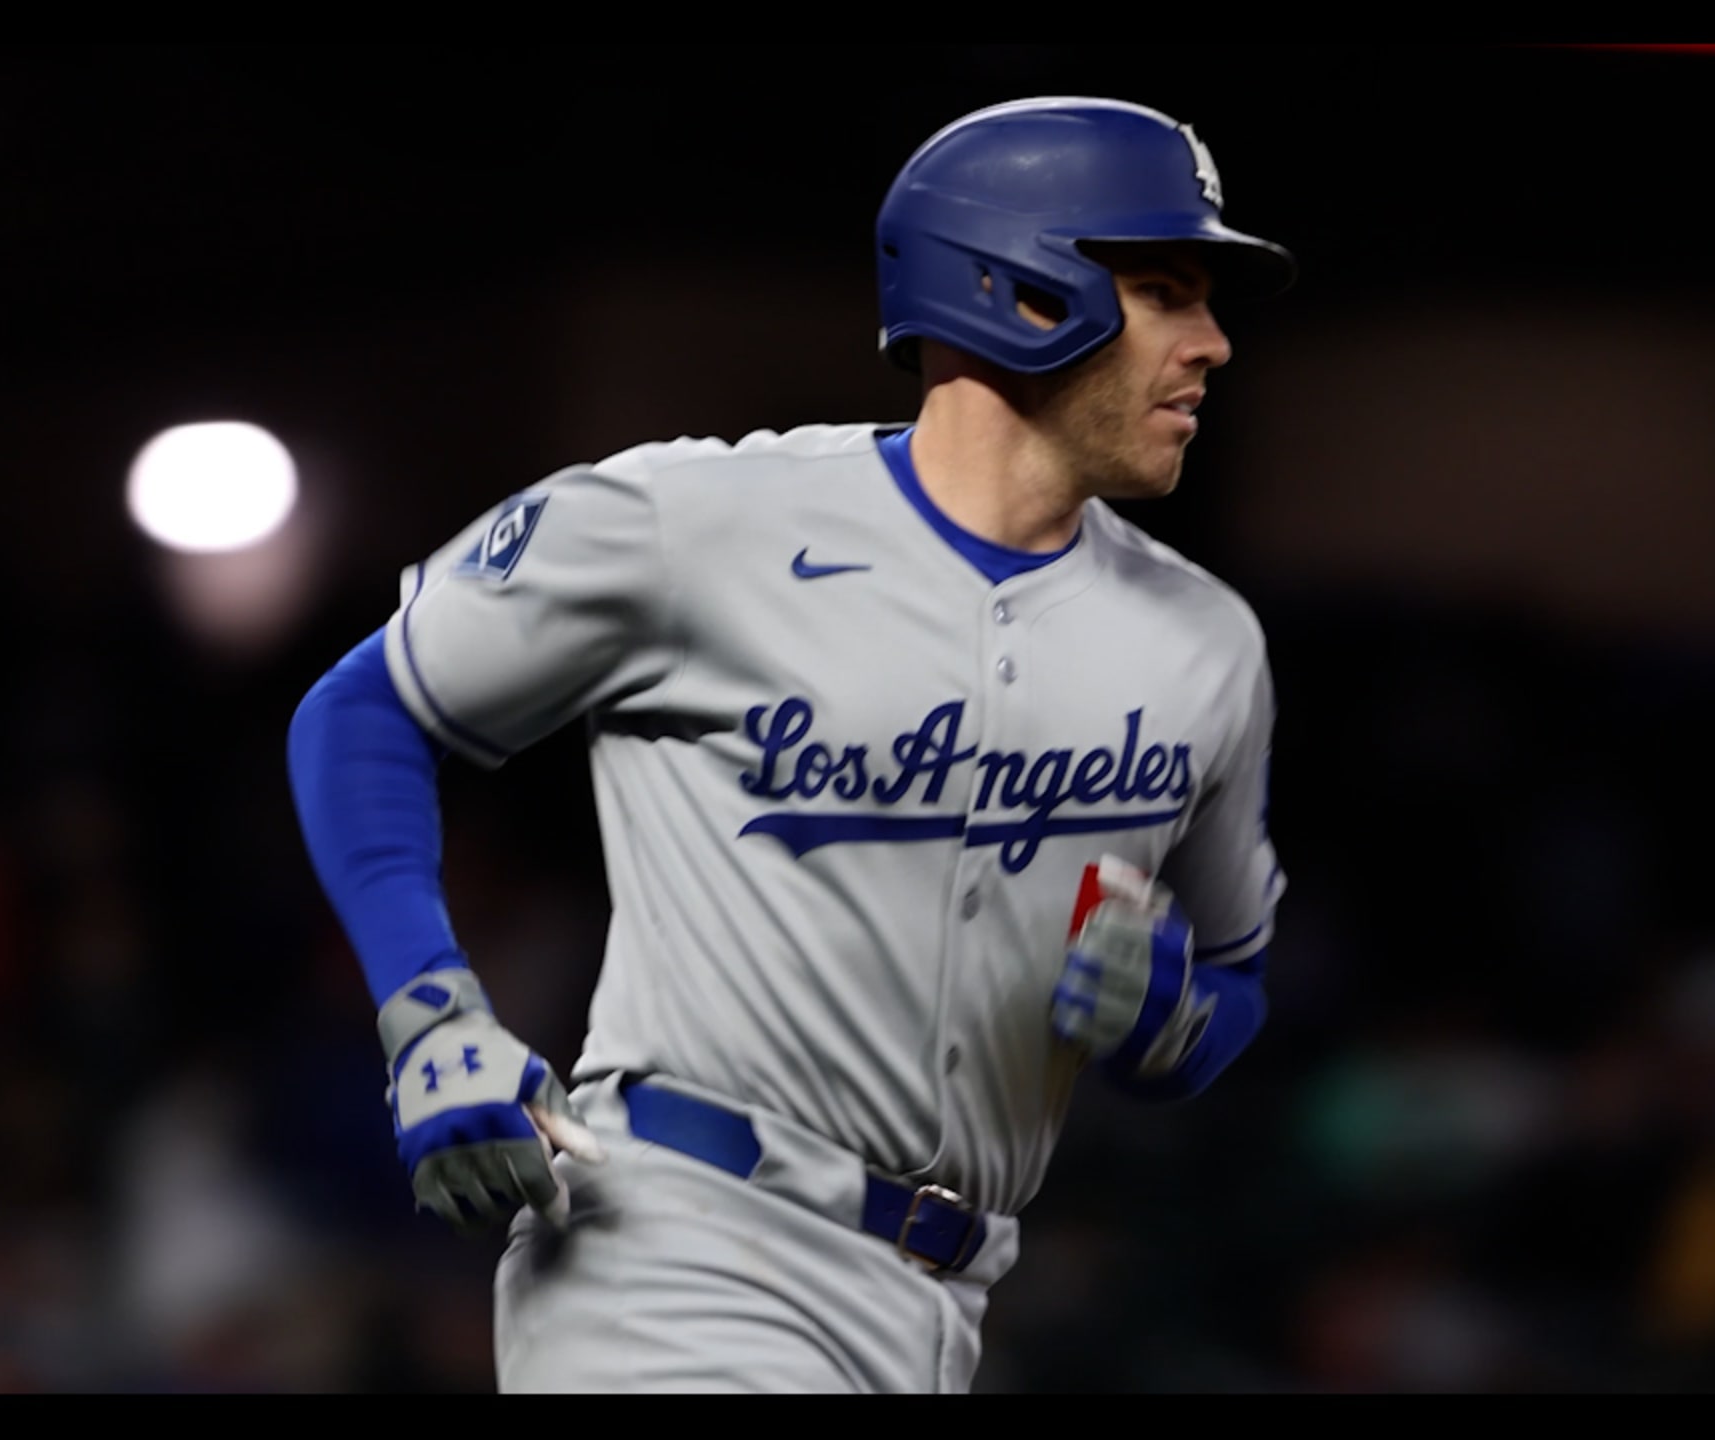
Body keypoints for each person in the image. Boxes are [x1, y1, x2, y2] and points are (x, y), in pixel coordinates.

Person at [287, 95, 1294, 1394]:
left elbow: (1234, 981)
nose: (1213, 343)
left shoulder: (1205, 644)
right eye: (1165, 293)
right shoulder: (703, 523)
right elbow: (365, 709)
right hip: (677, 1251)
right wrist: (430, 1010)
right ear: (1020, 288)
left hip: (944, 1304)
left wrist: (1173, 1022)